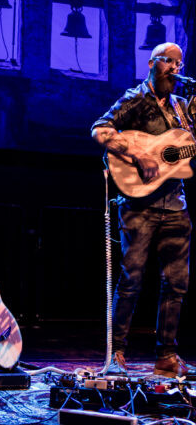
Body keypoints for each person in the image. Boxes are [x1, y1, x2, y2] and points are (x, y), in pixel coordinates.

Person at [91, 42, 196, 378]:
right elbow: (100, 129)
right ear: (152, 63)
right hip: (138, 204)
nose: (175, 67)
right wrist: (139, 156)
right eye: (169, 61)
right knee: (131, 280)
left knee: (176, 283)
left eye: (180, 63)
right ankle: (116, 354)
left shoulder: (182, 106)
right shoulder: (136, 98)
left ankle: (166, 356)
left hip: (175, 204)